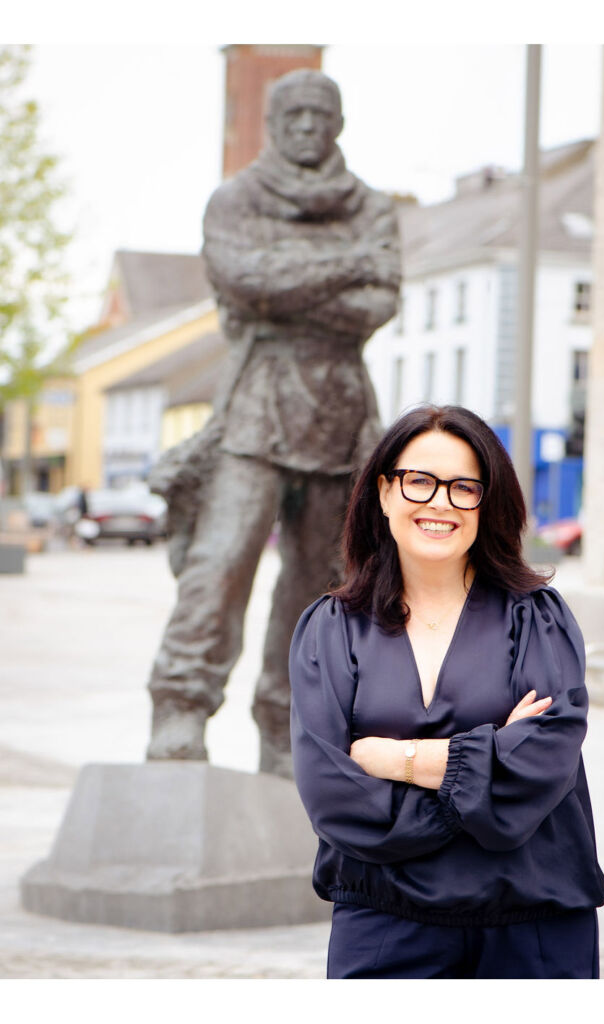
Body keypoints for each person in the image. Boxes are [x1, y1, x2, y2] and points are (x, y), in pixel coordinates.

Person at [289, 405, 604, 979]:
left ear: (488, 504)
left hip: (533, 927)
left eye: (464, 487)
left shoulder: (537, 618)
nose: (441, 503)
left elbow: (542, 763)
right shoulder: (331, 629)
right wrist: (487, 767)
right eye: (420, 481)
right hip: (384, 926)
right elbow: (333, 796)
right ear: (384, 492)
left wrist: (399, 760)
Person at [145, 69, 400, 771]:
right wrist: (343, 267)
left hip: (340, 410)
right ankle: (180, 704)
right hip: (256, 403)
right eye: (295, 116)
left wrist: (285, 286)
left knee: (320, 582)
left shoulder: (372, 208)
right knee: (221, 561)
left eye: (322, 115)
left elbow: (377, 303)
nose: (309, 127)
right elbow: (244, 281)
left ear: (338, 124)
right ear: (273, 124)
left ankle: (287, 723)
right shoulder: (236, 200)